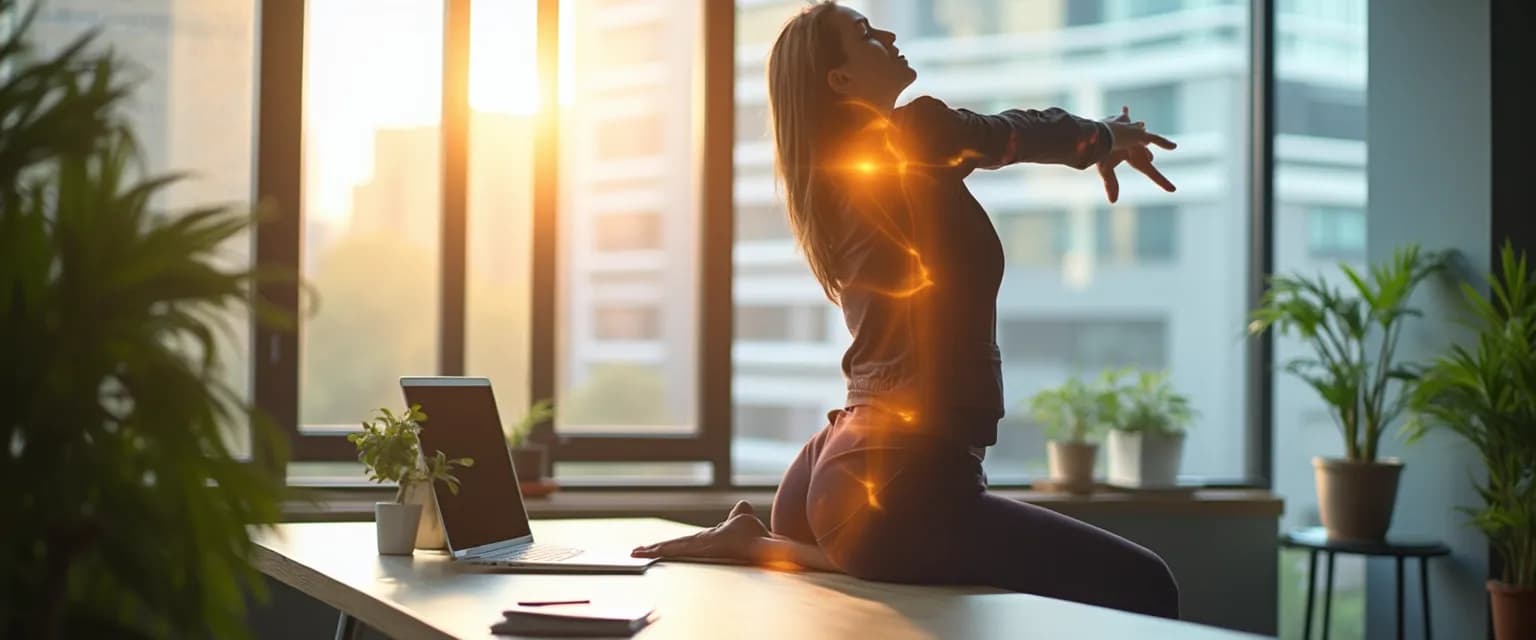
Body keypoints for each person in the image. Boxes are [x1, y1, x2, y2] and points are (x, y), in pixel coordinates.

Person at [631, 1, 1181, 619]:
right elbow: (1012, 132)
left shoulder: (838, 181)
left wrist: (1096, 139)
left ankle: (768, 545)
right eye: (865, 34)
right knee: (1148, 585)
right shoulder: (910, 135)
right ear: (838, 80)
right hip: (902, 482)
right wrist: (1104, 135)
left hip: (838, 463)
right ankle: (764, 545)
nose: (887, 34)